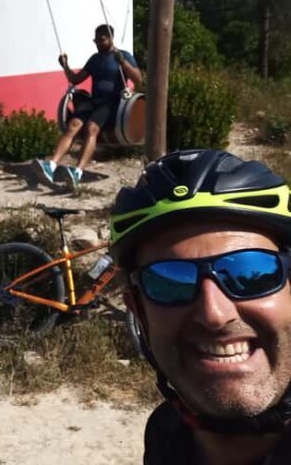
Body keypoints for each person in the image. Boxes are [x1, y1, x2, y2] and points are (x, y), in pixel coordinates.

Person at [109, 149, 291, 464]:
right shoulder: (166, 436)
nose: (214, 314)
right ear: (139, 311)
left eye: (250, 273)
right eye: (170, 280)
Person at [36, 24, 142, 189]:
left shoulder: (123, 55)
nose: (98, 43)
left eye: (101, 39)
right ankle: (51, 166)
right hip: (94, 101)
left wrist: (123, 62)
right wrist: (65, 66)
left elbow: (138, 79)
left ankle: (77, 173)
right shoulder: (95, 59)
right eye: (96, 40)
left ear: (110, 38)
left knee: (92, 128)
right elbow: (77, 79)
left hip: (112, 103)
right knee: (73, 125)